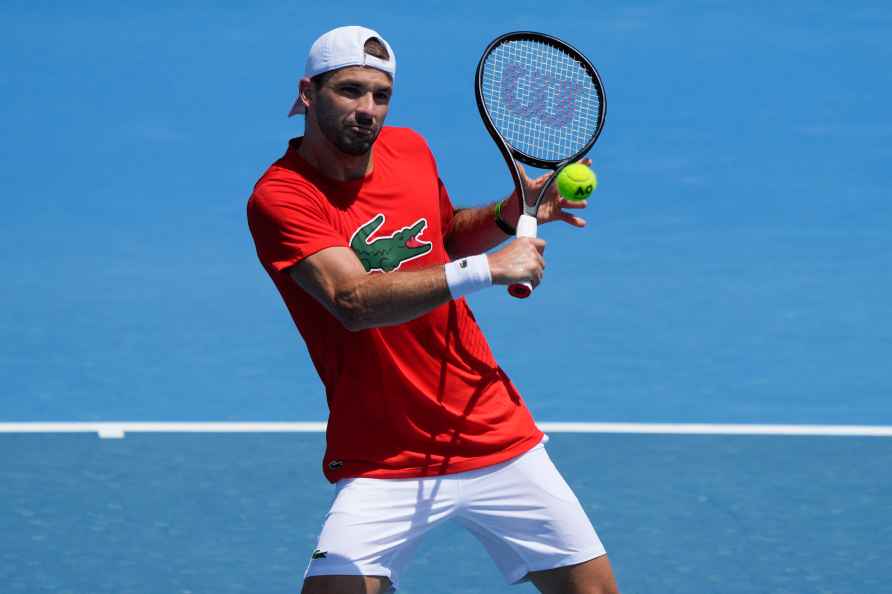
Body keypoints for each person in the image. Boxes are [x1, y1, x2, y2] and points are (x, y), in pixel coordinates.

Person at [247, 25, 619, 594]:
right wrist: (491, 268)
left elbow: (440, 234)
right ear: (307, 93)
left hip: (489, 430)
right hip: (384, 453)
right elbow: (353, 302)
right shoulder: (283, 197)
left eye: (380, 95)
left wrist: (508, 212)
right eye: (349, 91)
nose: (367, 109)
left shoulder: (410, 150)